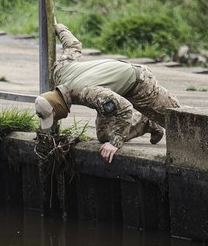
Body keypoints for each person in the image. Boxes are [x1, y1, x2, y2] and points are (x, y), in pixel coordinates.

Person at [35, 23, 181, 163]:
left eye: (52, 119)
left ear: (55, 110)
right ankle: (146, 123)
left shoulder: (87, 93)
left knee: (178, 120)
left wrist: (115, 144)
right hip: (112, 89)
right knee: (105, 136)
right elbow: (73, 45)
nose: (54, 121)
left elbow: (124, 107)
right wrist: (60, 28)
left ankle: (148, 119)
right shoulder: (59, 72)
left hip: (139, 84)